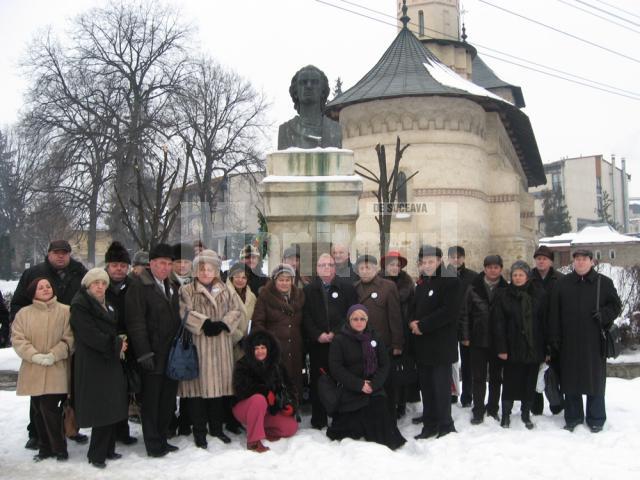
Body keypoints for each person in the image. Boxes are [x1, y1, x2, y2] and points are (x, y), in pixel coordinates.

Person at [10, 239, 88, 449]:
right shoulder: (34, 273)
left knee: (70, 388)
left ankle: (71, 427)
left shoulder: (79, 273)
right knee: (40, 395)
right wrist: (28, 326)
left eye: (64, 253)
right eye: (56, 253)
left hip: (70, 340)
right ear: (49, 254)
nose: (60, 256)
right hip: (39, 343)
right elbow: (18, 303)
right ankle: (36, 432)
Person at [548, 249, 621, 433]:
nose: (580, 263)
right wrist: (554, 337)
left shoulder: (603, 283)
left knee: (594, 380)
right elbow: (554, 312)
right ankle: (573, 417)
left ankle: (596, 418)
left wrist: (603, 315)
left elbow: (615, 306)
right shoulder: (562, 284)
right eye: (577, 259)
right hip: (568, 341)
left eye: (584, 259)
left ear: (591, 261)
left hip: (594, 340)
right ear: (573, 262)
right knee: (570, 380)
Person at [178, 249, 244, 448]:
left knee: (218, 390)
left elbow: (237, 310)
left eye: (210, 269)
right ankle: (199, 431)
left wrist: (224, 323)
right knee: (198, 392)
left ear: (216, 270)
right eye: (202, 269)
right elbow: (183, 312)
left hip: (221, 346)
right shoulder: (187, 290)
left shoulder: (225, 289)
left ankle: (216, 428)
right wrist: (204, 323)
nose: (206, 273)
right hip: (200, 346)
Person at [125, 243, 181, 457]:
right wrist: (144, 352)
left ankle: (163, 437)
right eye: (161, 263)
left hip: (170, 355)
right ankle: (153, 443)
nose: (165, 267)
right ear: (151, 264)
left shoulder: (171, 286)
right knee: (151, 401)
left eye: (169, 263)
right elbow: (136, 323)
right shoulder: (139, 286)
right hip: (151, 354)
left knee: (167, 400)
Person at [70, 268, 128, 469]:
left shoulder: (108, 305)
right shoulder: (80, 305)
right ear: (88, 285)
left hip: (108, 360)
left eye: (103, 283)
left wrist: (119, 341)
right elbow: (89, 334)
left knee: (112, 404)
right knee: (101, 408)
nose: (100, 287)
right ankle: (96, 454)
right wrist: (116, 344)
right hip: (93, 362)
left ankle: (108, 449)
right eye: (96, 283)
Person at [326, 304, 406, 450]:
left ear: (367, 320)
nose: (359, 322)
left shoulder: (375, 337)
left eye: (362, 319)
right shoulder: (339, 340)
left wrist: (373, 385)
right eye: (355, 319)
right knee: (348, 426)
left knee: (378, 410)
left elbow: (384, 365)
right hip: (350, 388)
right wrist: (359, 385)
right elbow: (336, 368)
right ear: (349, 320)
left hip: (373, 387)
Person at [11, 277, 74, 462]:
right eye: (41, 287)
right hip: (33, 370)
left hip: (56, 368)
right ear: (33, 292)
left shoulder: (65, 311)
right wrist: (34, 355)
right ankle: (45, 447)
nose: (46, 289)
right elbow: (18, 339)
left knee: (49, 408)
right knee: (38, 410)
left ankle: (59, 447)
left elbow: (70, 338)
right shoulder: (24, 314)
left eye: (48, 286)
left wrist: (54, 354)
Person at [410, 245, 460, 439]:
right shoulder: (422, 283)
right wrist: (412, 322)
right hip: (423, 347)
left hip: (440, 346)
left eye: (431, 261)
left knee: (440, 388)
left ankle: (445, 425)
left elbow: (449, 312)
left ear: (439, 261)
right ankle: (429, 425)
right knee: (427, 389)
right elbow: (414, 308)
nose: (428, 265)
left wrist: (422, 325)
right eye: (424, 262)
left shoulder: (450, 281)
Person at [303, 253, 357, 429]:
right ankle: (319, 418)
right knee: (319, 380)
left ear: (335, 267)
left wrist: (335, 333)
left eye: (330, 265)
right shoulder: (309, 290)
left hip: (340, 343)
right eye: (322, 265)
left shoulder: (347, 288)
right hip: (318, 344)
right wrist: (318, 335)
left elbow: (351, 314)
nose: (326, 268)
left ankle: (340, 416)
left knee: (340, 379)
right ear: (317, 269)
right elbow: (306, 317)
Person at [493, 261, 548, 429]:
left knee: (529, 381)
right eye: (515, 275)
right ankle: (506, 414)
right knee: (510, 382)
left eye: (521, 275)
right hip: (512, 346)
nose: (517, 278)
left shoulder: (537, 294)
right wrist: (501, 348)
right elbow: (498, 323)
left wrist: (547, 348)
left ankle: (526, 413)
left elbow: (544, 322)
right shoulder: (503, 295)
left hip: (533, 346)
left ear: (527, 276)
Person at [459, 254, 508, 425]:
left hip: (497, 340)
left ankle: (493, 408)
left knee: (496, 378)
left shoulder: (505, 288)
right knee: (478, 377)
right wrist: (465, 336)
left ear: (500, 269)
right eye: (489, 267)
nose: (492, 270)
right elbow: (464, 313)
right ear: (484, 268)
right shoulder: (474, 287)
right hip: (477, 339)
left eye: (496, 267)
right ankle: (478, 410)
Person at [232, 330, 299, 453]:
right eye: (256, 348)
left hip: (268, 411)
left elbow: (289, 386)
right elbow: (241, 389)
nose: (260, 351)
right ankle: (253, 442)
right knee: (259, 400)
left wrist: (290, 404)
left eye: (263, 347)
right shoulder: (243, 364)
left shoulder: (277, 365)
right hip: (245, 409)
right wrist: (264, 392)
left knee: (291, 427)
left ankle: (261, 430)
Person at [355, 254, 403, 416]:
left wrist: (397, 343)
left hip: (384, 344)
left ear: (376, 269)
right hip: (361, 344)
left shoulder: (388, 286)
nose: (365, 271)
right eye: (361, 268)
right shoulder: (355, 288)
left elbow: (395, 317)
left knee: (386, 382)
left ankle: (389, 414)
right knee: (367, 382)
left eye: (368, 268)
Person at [252, 264, 305, 398]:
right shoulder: (265, 297)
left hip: (295, 348)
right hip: (274, 348)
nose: (284, 283)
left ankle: (293, 407)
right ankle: (276, 411)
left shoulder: (299, 296)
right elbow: (258, 323)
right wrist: (265, 346)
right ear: (274, 280)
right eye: (281, 280)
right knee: (276, 381)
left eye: (288, 280)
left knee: (294, 379)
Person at [103, 241, 138, 446]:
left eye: (123, 266)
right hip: (107, 344)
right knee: (108, 391)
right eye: (115, 265)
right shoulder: (99, 285)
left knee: (125, 390)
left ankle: (122, 430)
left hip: (129, 344)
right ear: (108, 265)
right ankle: (107, 433)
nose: (119, 269)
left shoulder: (133, 286)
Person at [380, 250, 419, 418]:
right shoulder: (379, 283)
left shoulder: (408, 285)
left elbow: (414, 308)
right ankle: (387, 401)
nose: (394, 268)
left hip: (403, 332)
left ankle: (401, 402)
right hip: (384, 332)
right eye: (391, 265)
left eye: (397, 265)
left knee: (402, 369)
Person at [530, 245, 565, 416]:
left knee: (555, 370)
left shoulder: (560, 279)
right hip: (534, 331)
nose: (541, 261)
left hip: (555, 329)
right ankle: (535, 405)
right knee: (535, 369)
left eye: (544, 258)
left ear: (550, 261)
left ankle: (556, 403)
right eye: (538, 258)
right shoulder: (528, 277)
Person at [277, 64, 342, 149]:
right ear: (295, 92)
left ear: (323, 91)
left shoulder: (335, 129)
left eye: (314, 82)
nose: (308, 86)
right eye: (303, 82)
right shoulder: (285, 131)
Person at [446, 245, 478, 407]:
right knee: (450, 361)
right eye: (452, 256)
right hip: (448, 325)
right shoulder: (443, 276)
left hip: (467, 324)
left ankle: (467, 395)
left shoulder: (473, 277)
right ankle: (451, 393)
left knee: (467, 362)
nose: (456, 259)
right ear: (448, 258)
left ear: (464, 258)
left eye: (459, 256)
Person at [226, 262, 256, 361]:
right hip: (229, 343)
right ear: (231, 277)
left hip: (248, 345)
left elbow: (254, 318)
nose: (240, 280)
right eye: (237, 277)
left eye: (244, 278)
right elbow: (223, 319)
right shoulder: (224, 294)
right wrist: (239, 338)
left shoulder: (251, 297)